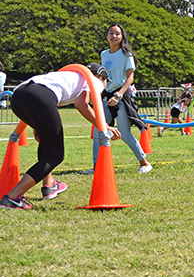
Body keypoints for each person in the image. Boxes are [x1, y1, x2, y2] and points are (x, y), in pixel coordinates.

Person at [1, 63, 121, 209]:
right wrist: (104, 125)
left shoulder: (69, 75)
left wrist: (36, 124)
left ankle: (49, 185)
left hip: (19, 96)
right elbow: (81, 104)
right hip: (40, 96)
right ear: (101, 76)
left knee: (47, 145)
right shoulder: (93, 79)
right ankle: (12, 198)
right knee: (55, 155)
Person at [98, 23, 153, 173]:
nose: (113, 36)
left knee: (124, 133)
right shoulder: (104, 54)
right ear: (107, 36)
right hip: (106, 96)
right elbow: (103, 77)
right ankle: (97, 168)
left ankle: (145, 163)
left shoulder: (126, 55)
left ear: (122, 37)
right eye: (111, 33)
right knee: (100, 132)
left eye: (117, 34)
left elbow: (130, 78)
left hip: (121, 96)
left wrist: (118, 95)